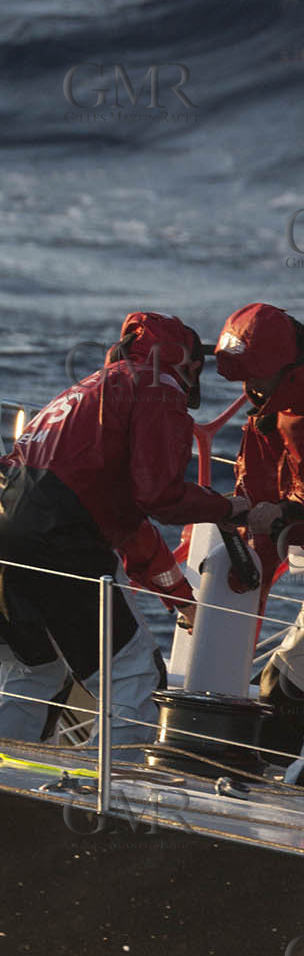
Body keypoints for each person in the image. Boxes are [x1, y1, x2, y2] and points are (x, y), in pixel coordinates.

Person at [0, 312, 249, 754]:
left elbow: (129, 525)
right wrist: (229, 507)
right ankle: (114, 788)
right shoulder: (158, 386)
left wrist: (182, 602)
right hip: (55, 535)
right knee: (131, 672)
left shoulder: (95, 387)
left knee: (31, 669)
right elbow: (159, 495)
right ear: (187, 363)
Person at [212, 303, 304, 760]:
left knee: (286, 685)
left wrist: (286, 515)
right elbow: (260, 507)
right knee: (282, 685)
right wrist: (248, 589)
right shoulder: (271, 416)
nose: (249, 390)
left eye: (256, 378)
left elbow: (281, 511)